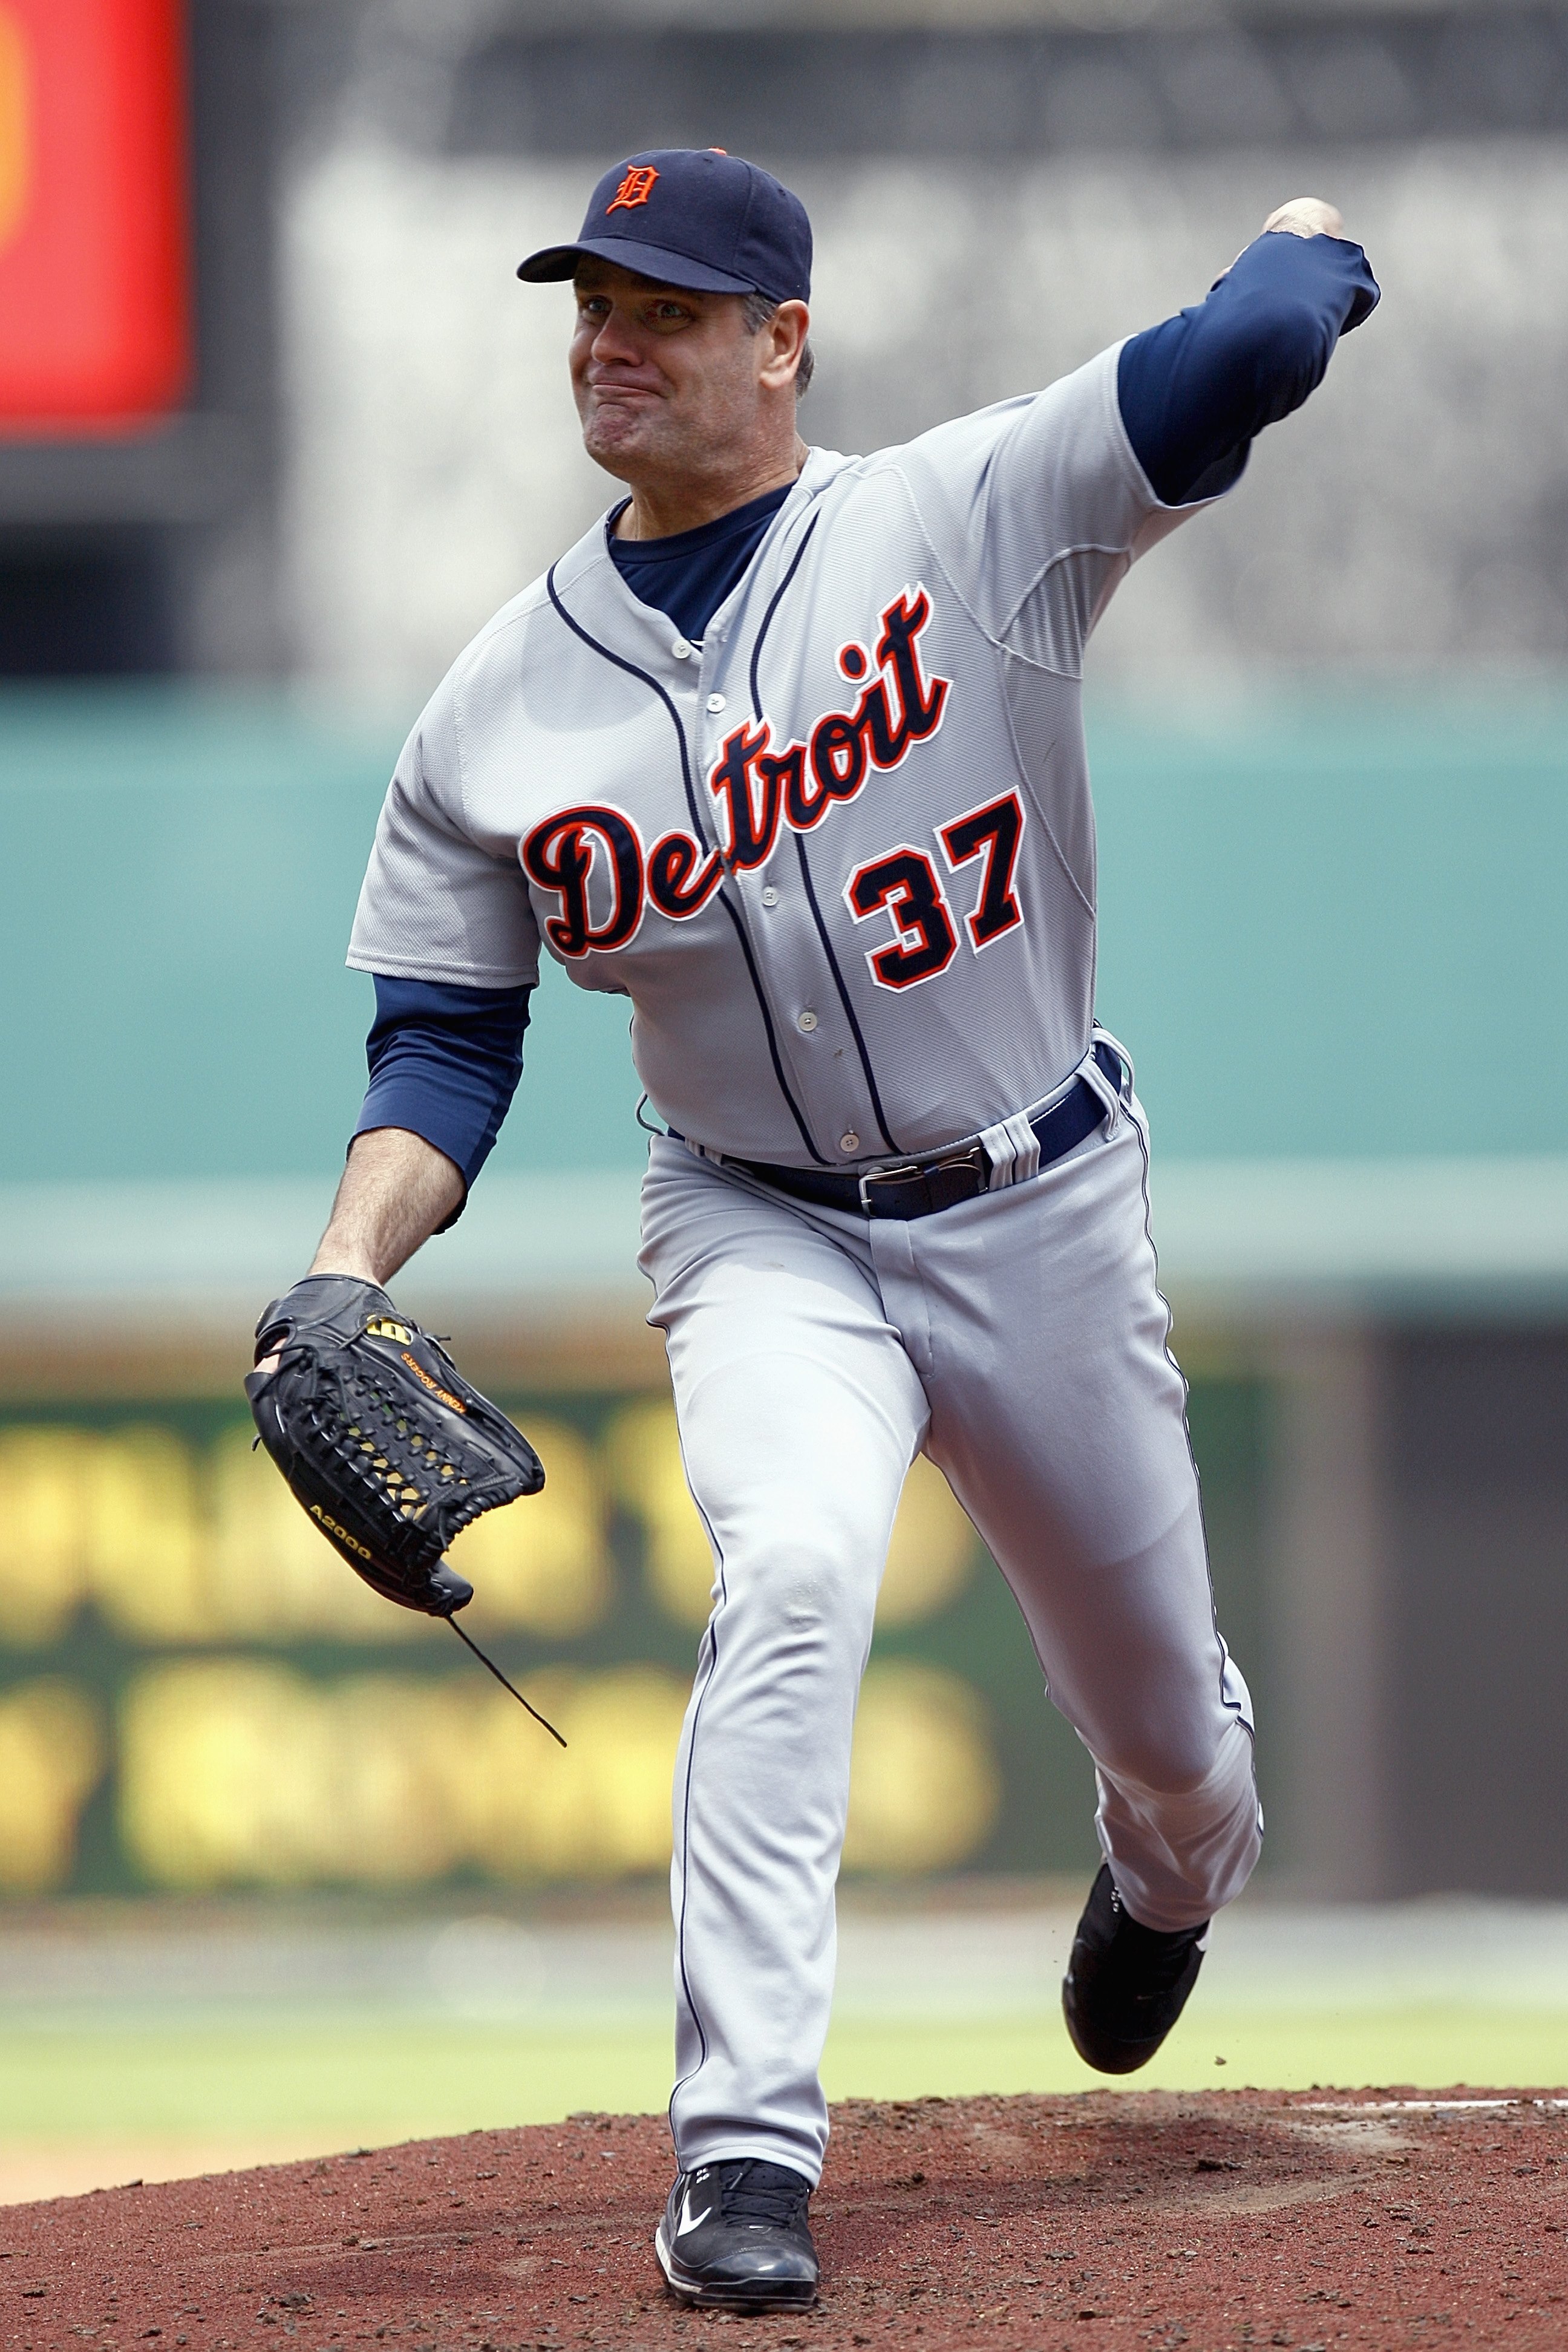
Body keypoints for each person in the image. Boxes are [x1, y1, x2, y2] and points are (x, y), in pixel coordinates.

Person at [272, 148, 1378, 2310]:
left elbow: (1251, 348)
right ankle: (746, 2148)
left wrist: (1317, 238)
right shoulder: (500, 704)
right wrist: (343, 1270)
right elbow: (442, 1052)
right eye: (593, 302)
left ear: (785, 342)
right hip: (758, 1227)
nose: (614, 339)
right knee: (790, 1575)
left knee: (1173, 1750)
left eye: (669, 307)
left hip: (1040, 1198)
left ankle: (1167, 1873)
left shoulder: (968, 517)